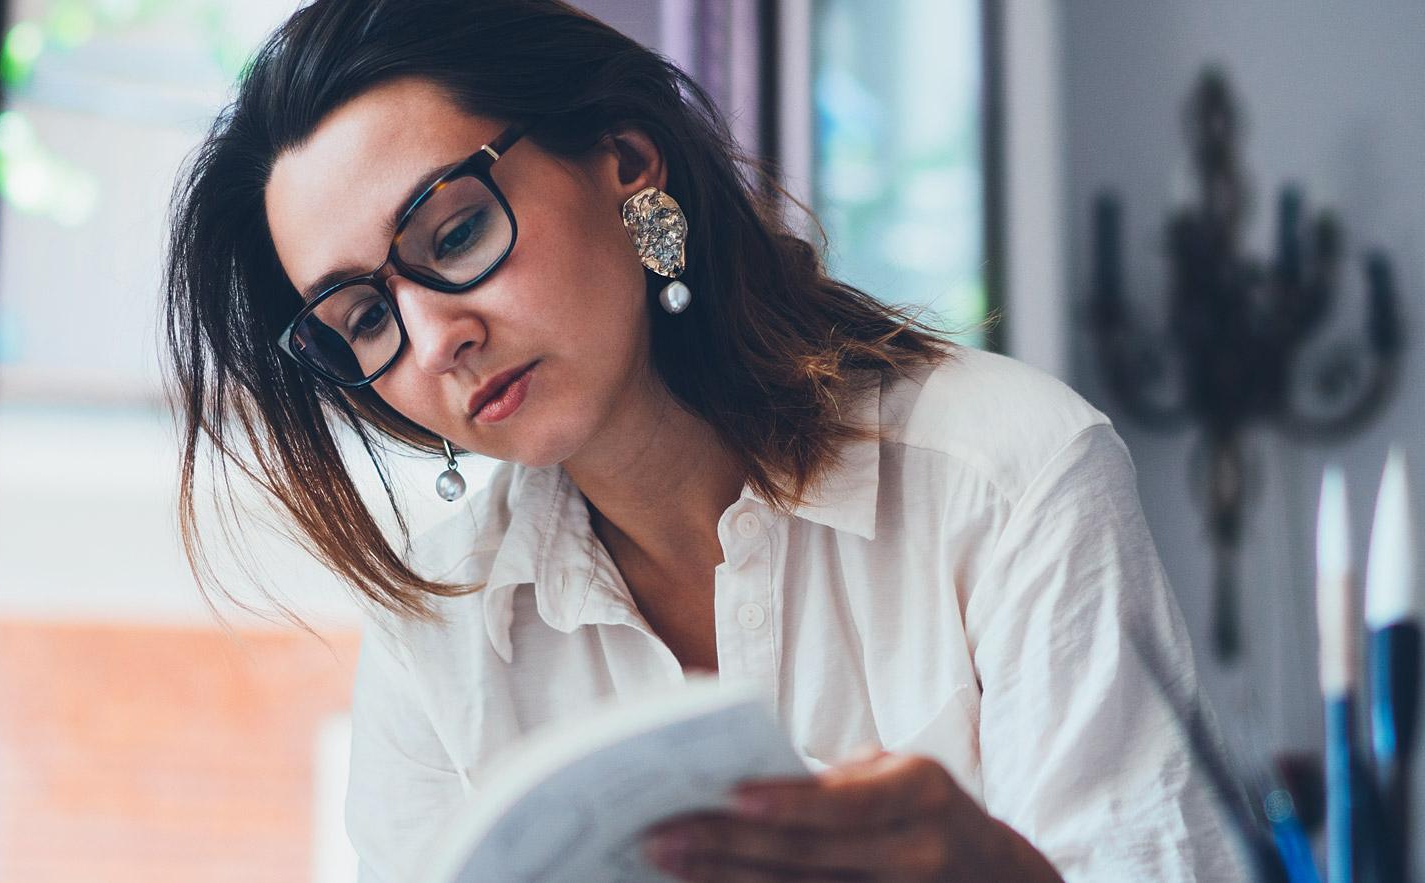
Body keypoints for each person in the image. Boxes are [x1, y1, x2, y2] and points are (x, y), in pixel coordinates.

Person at [164, 0, 1244, 879]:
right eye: (363, 319)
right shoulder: (440, 639)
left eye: (455, 234)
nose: (438, 337)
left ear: (628, 165)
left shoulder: (1006, 475)